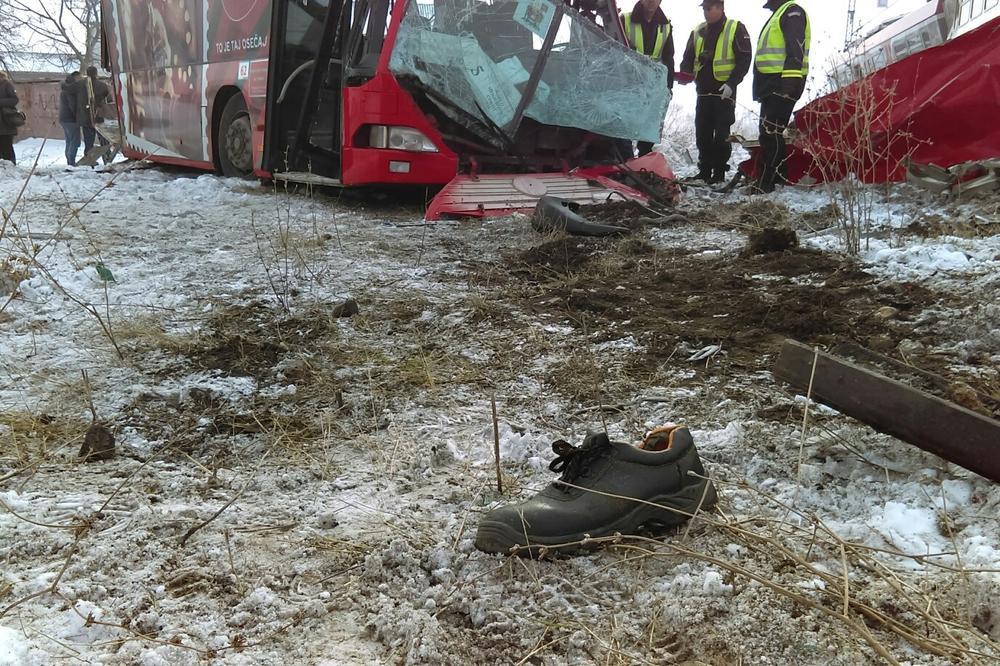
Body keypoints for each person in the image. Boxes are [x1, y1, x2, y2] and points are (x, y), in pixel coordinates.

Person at [678, 0, 752, 184]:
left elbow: (744, 59)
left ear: (720, 8)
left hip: (723, 92)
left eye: (709, 8)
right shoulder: (698, 31)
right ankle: (704, 171)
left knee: (721, 135)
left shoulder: (735, 28)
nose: (706, 12)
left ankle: (719, 173)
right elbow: (688, 58)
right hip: (703, 92)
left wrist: (732, 83)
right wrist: (684, 74)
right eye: (704, 8)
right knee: (702, 135)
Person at [752, 0, 810, 193]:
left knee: (771, 132)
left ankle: (768, 182)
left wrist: (789, 83)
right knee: (769, 132)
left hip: (782, 83)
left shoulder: (792, 12)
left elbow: (795, 49)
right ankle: (777, 178)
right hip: (772, 84)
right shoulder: (780, 13)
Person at [621, 0, 675, 156]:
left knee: (649, 125)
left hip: (653, 83)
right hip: (628, 81)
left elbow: (668, 57)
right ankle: (624, 158)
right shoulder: (625, 19)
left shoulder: (666, 25)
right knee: (623, 125)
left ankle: (644, 158)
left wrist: (669, 87)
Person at [76, 66, 112, 159]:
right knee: (104, 140)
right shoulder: (102, 85)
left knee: (88, 142)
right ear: (96, 73)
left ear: (87, 73)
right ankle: (107, 158)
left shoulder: (80, 85)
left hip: (85, 117)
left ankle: (89, 160)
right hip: (98, 115)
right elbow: (109, 99)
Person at [60, 71, 82, 166]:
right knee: (75, 141)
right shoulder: (71, 90)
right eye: (79, 77)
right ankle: (71, 162)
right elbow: (72, 105)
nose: (80, 79)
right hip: (71, 119)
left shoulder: (65, 88)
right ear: (75, 78)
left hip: (64, 118)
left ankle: (69, 161)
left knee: (69, 140)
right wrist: (77, 116)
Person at [0, 71, 19, 165]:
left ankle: (11, 166)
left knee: (6, 146)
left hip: (5, 121)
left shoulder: (6, 84)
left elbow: (14, 100)